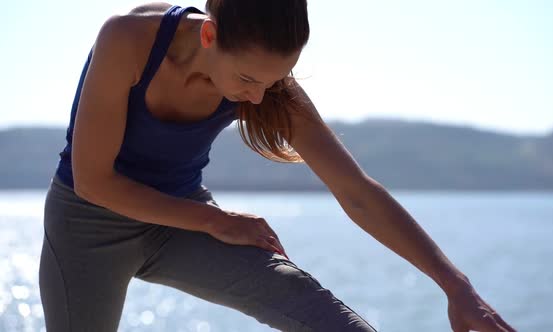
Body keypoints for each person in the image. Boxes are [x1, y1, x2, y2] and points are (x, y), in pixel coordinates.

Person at [38, 1, 516, 331]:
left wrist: (457, 287)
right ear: (209, 34)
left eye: (271, 81)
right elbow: (93, 182)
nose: (256, 97)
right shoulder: (128, 37)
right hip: (89, 229)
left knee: (328, 319)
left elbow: (356, 191)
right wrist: (216, 221)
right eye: (247, 78)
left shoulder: (267, 88)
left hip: (182, 226)